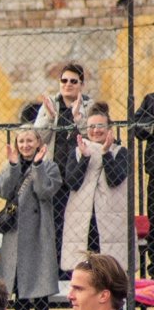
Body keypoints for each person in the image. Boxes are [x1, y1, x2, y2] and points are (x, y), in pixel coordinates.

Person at [0, 127, 62, 310]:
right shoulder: (11, 164)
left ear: (38, 142)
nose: (25, 145)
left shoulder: (50, 166)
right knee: (19, 291)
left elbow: (44, 191)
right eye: (21, 141)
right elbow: (2, 190)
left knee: (40, 291)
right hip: (15, 236)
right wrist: (13, 166)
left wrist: (38, 166)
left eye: (29, 140)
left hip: (39, 234)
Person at [61, 103, 131, 273]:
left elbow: (114, 179)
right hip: (83, 223)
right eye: (91, 126)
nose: (96, 130)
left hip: (110, 223)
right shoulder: (77, 152)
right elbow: (72, 182)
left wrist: (106, 153)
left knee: (110, 273)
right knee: (84, 272)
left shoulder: (121, 152)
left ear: (109, 128)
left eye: (100, 126)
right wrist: (85, 158)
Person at [34, 62, 92, 252]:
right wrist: (51, 117)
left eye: (73, 81)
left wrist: (79, 119)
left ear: (81, 84)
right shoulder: (50, 104)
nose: (68, 84)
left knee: (79, 226)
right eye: (64, 80)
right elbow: (38, 139)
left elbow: (93, 136)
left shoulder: (89, 105)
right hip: (54, 174)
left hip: (80, 175)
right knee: (55, 225)